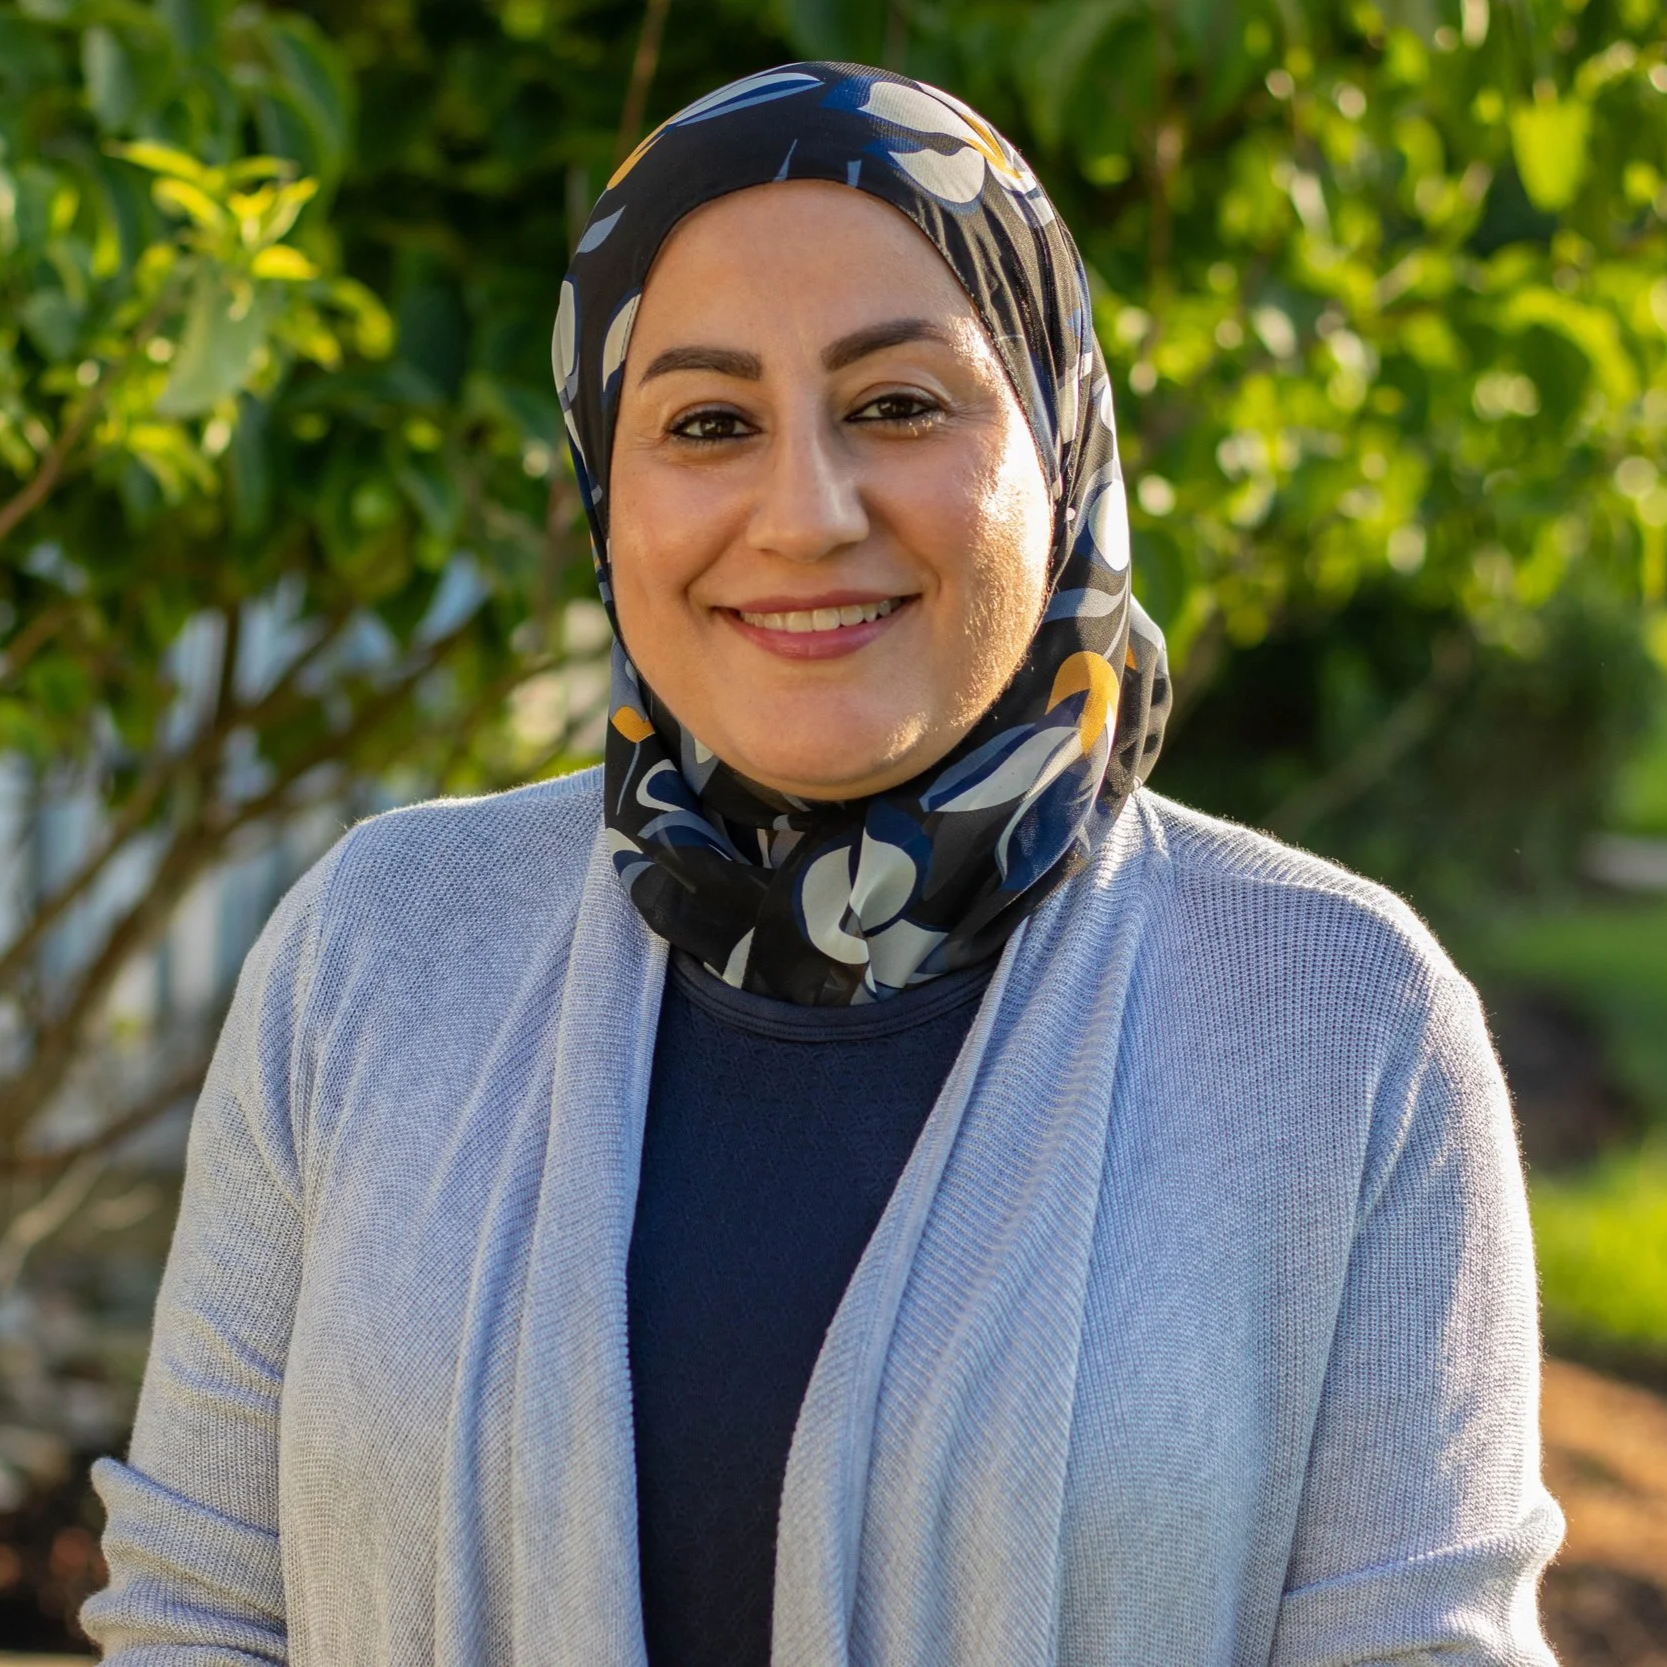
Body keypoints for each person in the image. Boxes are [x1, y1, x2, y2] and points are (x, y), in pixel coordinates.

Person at [84, 62, 1563, 1667]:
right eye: (706, 422)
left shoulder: (1341, 1022)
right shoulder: (371, 948)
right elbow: (198, 1613)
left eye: (898, 404)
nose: (803, 511)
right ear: (602, 482)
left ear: (1060, 441)